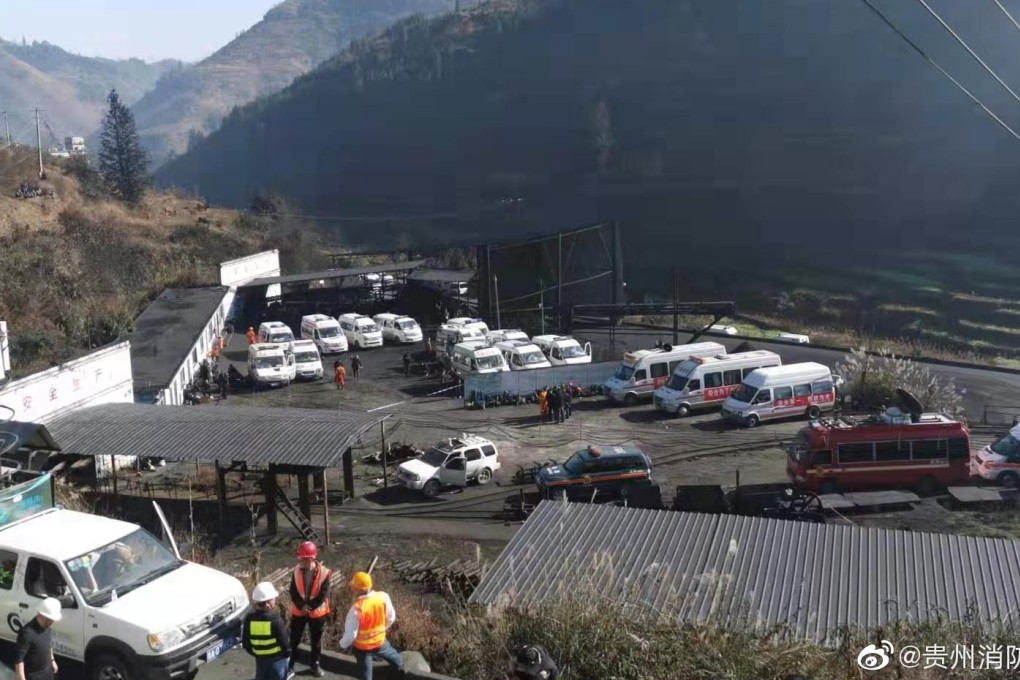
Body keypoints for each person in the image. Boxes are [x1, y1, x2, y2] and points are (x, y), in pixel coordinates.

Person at [339, 572, 405, 680]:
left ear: (357, 589)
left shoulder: (356, 609)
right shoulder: (383, 597)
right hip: (380, 641)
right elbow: (391, 617)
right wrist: (383, 629)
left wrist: (342, 644)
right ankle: (401, 668)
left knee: (366, 675)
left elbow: (351, 635)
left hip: (363, 648)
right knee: (395, 658)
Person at [288, 542, 332, 677]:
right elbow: (293, 591)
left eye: (302, 559)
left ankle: (315, 665)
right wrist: (302, 606)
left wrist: (310, 607)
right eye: (300, 558)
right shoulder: (296, 570)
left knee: (316, 641)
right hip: (299, 611)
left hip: (317, 613)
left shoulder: (324, 573)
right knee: (294, 639)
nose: (300, 561)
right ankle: (289, 665)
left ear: (311, 559)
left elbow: (323, 594)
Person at [242, 582, 292, 680]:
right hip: (277, 661)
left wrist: (258, 654)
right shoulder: (275, 620)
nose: (275, 601)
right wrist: (287, 655)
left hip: (261, 661)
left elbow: (246, 644)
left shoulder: (249, 619)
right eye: (273, 599)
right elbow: (285, 643)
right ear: (268, 602)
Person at [15, 597, 60, 680]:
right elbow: (19, 661)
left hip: (47, 673)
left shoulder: (47, 627)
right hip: (34, 676)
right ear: (42, 615)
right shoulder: (27, 633)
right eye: (51, 619)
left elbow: (49, 644)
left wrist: (52, 660)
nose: (53, 622)